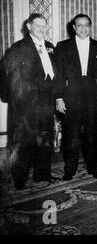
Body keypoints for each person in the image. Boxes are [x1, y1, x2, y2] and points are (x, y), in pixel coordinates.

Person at [0, 13, 60, 189]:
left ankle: (43, 174)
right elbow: (6, 74)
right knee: (23, 142)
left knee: (45, 140)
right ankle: (20, 178)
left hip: (46, 104)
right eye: (38, 25)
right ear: (29, 26)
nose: (42, 29)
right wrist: (11, 98)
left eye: (44, 26)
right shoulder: (18, 48)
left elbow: (56, 73)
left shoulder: (50, 47)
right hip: (25, 105)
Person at [54, 14, 97, 181]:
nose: (83, 28)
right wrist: (58, 98)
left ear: (90, 27)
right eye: (80, 25)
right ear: (74, 27)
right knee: (71, 136)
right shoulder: (62, 46)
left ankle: (94, 168)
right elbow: (58, 75)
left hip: (94, 98)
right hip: (70, 98)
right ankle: (69, 170)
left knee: (92, 135)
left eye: (87, 25)